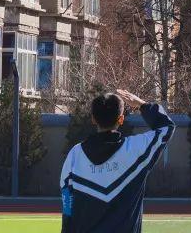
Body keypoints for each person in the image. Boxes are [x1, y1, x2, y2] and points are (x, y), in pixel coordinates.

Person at [60, 89, 175, 233]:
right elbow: (167, 127)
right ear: (121, 119)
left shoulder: (75, 154)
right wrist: (141, 105)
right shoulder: (136, 149)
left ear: (93, 119)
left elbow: (67, 197)